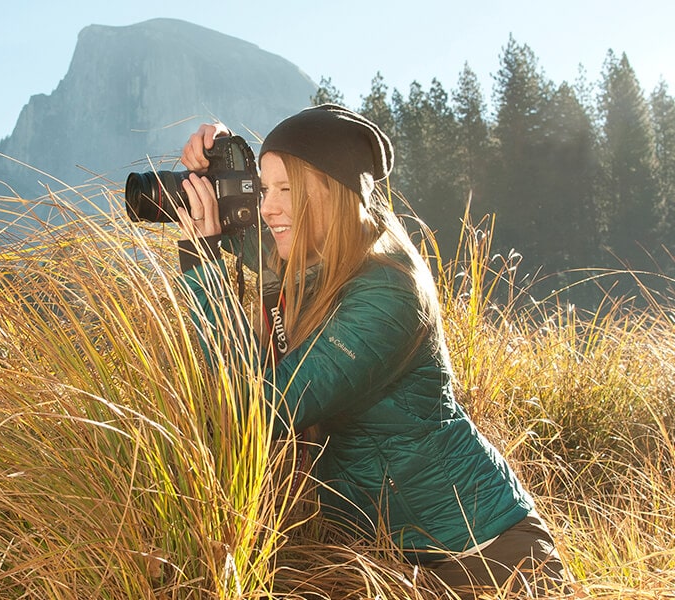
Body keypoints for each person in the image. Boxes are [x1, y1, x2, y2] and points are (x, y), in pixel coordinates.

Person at [172, 104, 569, 597]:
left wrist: (201, 259)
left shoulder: (389, 292)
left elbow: (260, 409)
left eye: (286, 190)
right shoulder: (317, 256)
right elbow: (249, 230)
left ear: (331, 195)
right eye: (264, 189)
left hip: (489, 558)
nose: (268, 208)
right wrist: (226, 164)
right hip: (395, 562)